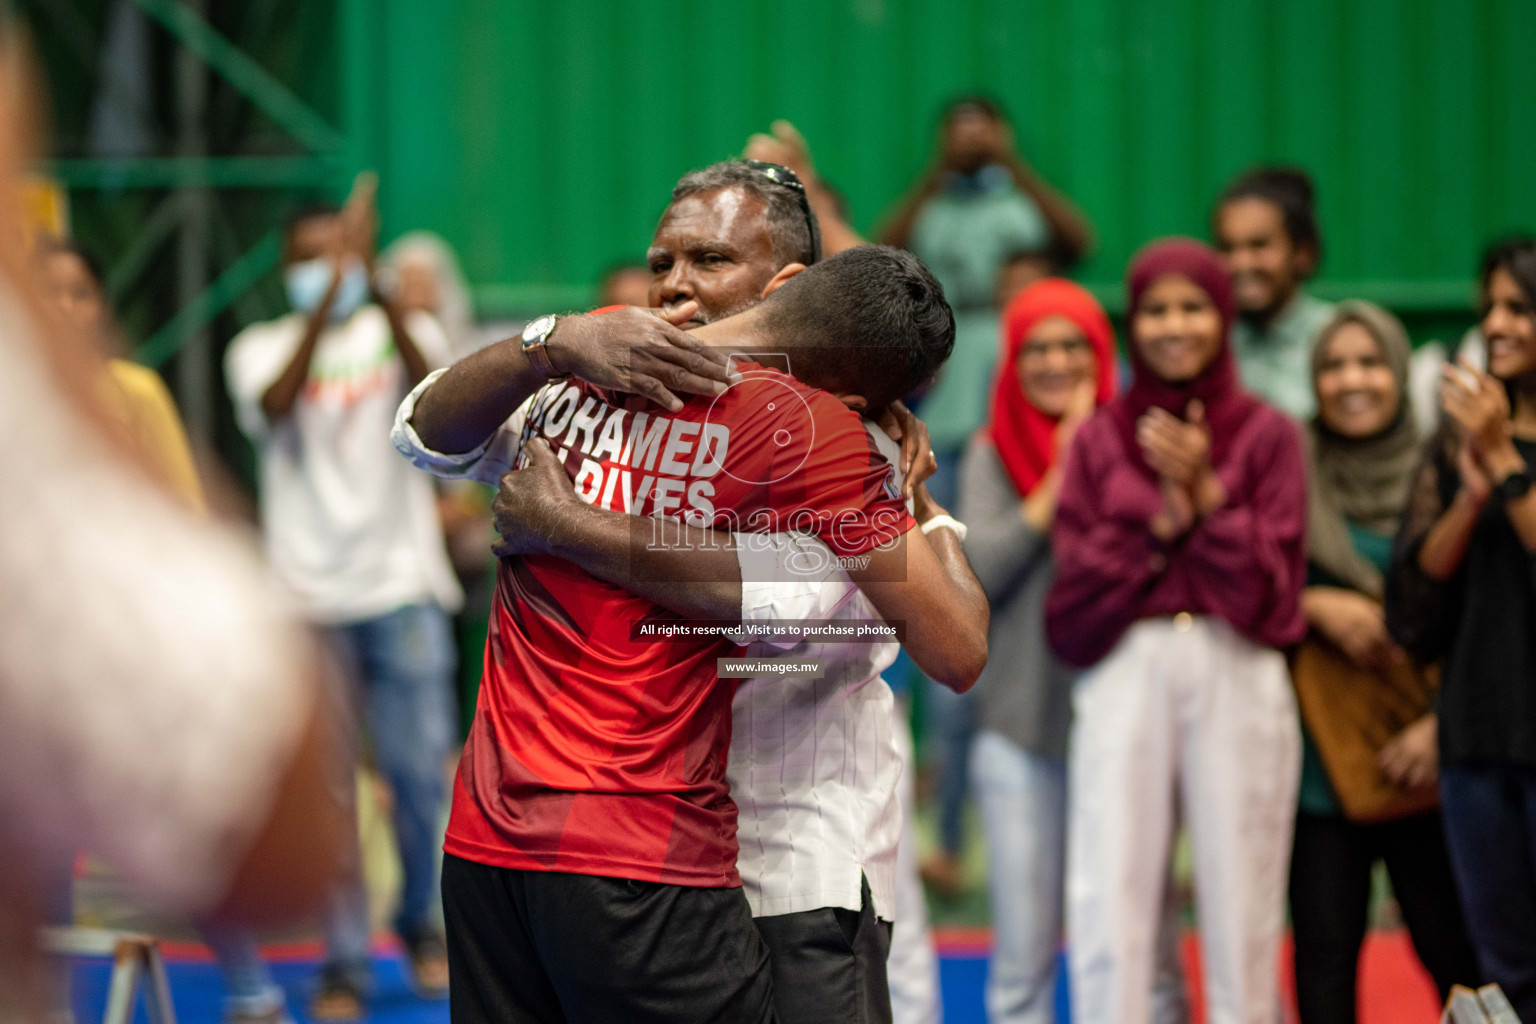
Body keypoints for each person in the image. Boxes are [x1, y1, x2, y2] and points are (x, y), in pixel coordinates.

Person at [398, 236, 984, 1023]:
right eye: (666, 259)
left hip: (500, 842)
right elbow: (946, 643)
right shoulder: (815, 429)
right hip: (641, 845)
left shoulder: (596, 346)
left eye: (708, 260)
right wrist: (929, 508)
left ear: (782, 281)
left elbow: (419, 433)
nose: (677, 283)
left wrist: (557, 375)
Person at [0, 33, 340, 1017]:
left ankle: (249, 991)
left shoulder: (124, 393)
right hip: (146, 647)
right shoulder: (36, 410)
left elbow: (181, 501)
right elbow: (266, 819)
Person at [1046, 238, 1307, 1024]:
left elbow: (1277, 593)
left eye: (1192, 307)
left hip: (1239, 664)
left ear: (1222, 317)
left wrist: (1205, 495)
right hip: (1129, 661)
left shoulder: (1268, 434)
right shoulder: (1098, 438)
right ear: (1134, 323)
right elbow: (1075, 598)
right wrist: (1164, 522)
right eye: (1156, 309)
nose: (1174, 326)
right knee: (1110, 886)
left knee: (1243, 892)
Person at [224, 175, 461, 1020]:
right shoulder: (256, 348)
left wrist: (380, 296)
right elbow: (277, 406)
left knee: (417, 778)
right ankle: (344, 961)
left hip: (401, 588)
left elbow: (441, 399)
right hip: (304, 600)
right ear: (285, 267)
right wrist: (323, 305)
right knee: (328, 795)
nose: (327, 270)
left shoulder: (406, 328)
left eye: (340, 254)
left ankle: (424, 927)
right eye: (310, 260)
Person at [1288, 301, 1481, 1023]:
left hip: (1430, 760)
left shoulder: (1453, 470)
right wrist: (1313, 606)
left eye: (1369, 362)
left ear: (1400, 372)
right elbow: (1256, 586)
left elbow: (1485, 621)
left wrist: (1441, 728)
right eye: (1333, 366)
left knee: (1458, 959)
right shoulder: (1291, 464)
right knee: (1324, 965)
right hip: (1321, 770)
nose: (1351, 381)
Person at [1386, 238, 1536, 1021]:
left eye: (1518, 307)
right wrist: (1473, 491)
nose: (1497, 325)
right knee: (1501, 965)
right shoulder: (1457, 445)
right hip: (1478, 735)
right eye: (1492, 307)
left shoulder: (1502, 442)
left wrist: (1508, 457)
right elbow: (1412, 600)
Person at [960, 279, 1115, 1023]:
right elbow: (977, 571)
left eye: (1072, 345)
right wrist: (1062, 476)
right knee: (1023, 952)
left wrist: (1097, 455)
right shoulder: (991, 452)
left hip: (1119, 731)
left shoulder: (1135, 445)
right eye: (1037, 348)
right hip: (1019, 733)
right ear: (1013, 362)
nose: (1055, 362)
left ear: (1101, 353)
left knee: (1118, 941)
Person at [1213, 167, 1335, 420]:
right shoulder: (1209, 341)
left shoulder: (1335, 338)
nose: (1240, 263)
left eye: (1259, 245)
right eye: (1227, 247)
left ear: (1303, 252)